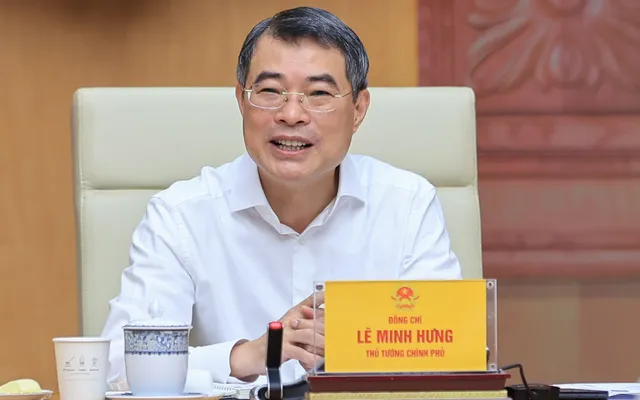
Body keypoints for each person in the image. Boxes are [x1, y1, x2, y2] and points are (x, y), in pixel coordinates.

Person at [100, 6, 462, 388]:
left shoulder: (407, 205)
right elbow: (119, 369)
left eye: (318, 93)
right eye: (270, 91)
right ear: (241, 100)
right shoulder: (180, 217)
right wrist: (250, 355)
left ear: (358, 109)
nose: (291, 114)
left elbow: (451, 360)